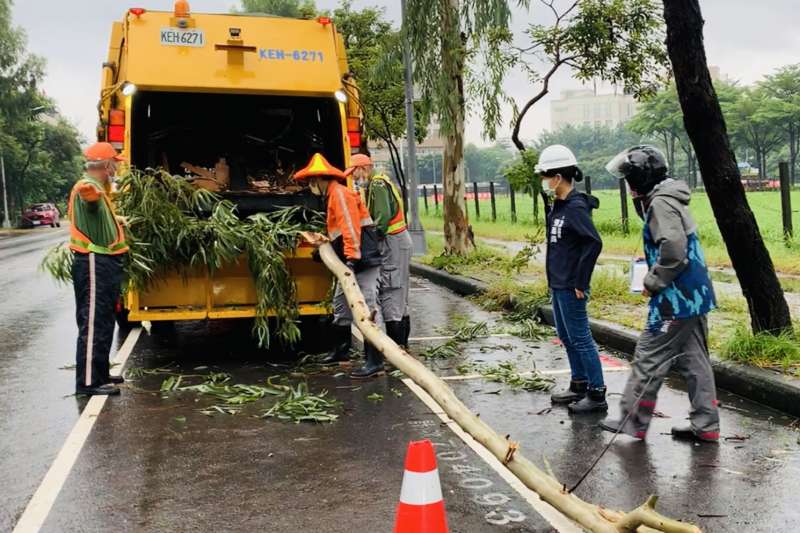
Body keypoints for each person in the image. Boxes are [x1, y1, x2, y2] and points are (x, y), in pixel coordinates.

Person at [600, 145, 720, 443]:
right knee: (695, 361)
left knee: (648, 356)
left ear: (641, 178)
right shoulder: (670, 198)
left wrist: (652, 281)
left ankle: (632, 421)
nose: (627, 186)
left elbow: (674, 250)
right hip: (694, 294)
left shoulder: (660, 204)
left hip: (676, 298)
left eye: (629, 179)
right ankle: (706, 425)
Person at [293, 153, 385, 378]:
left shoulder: (339, 194)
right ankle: (341, 351)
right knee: (341, 305)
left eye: (311, 183)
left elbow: (351, 229)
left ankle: (375, 360)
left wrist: (352, 259)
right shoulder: (333, 194)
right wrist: (326, 251)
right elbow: (337, 233)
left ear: (319, 180)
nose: (310, 187)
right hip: (350, 260)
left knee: (366, 307)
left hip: (362, 259)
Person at [536, 145, 607, 414]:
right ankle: (579, 384)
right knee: (566, 336)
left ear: (559, 176)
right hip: (558, 283)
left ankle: (597, 393)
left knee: (581, 338)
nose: (544, 181)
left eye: (546, 175)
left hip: (571, 285)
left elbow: (593, 243)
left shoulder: (576, 207)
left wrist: (581, 281)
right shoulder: (559, 206)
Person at [70, 142, 129, 396]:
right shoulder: (88, 187)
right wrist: (89, 194)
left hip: (104, 262)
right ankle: (88, 383)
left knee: (105, 321)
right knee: (94, 322)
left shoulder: (99, 188)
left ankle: (100, 373)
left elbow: (97, 216)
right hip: (93, 261)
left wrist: (118, 220)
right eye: (114, 163)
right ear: (105, 165)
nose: (117, 167)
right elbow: (88, 201)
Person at [345, 154, 413, 348]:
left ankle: (397, 346)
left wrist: (369, 242)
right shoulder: (379, 182)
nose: (355, 178)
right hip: (396, 240)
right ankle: (401, 345)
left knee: (392, 288)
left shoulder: (377, 185)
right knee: (398, 291)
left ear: (364, 168)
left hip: (393, 241)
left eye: (355, 173)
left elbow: (382, 218)